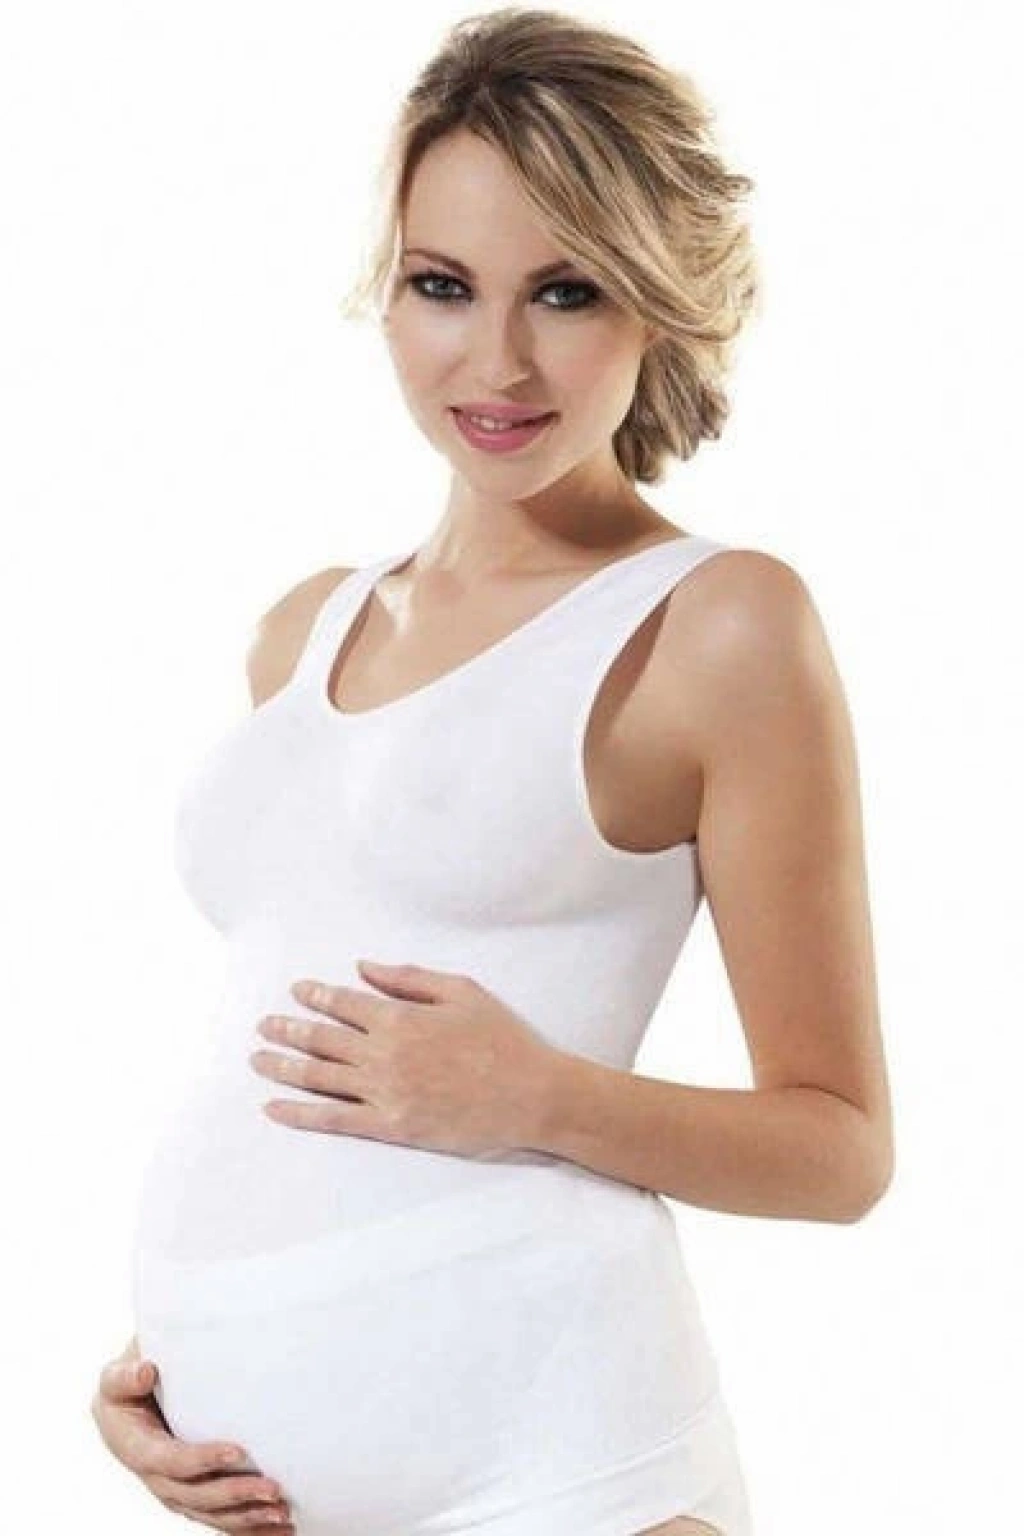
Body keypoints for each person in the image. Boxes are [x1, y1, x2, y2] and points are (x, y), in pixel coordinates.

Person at [91, 9, 894, 1535]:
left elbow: (841, 1151)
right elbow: (274, 1056)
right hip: (268, 1495)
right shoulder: (302, 631)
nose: (499, 360)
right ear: (387, 291)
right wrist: (163, 1369)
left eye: (567, 291)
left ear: (657, 301)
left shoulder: (716, 625)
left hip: (562, 1464)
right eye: (443, 285)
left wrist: (540, 1096)